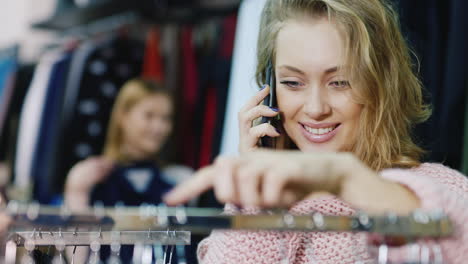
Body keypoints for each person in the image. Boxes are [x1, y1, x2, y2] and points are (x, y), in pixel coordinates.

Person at [163, 0, 468, 263]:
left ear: (382, 84)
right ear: (269, 92)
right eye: (293, 83)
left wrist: (345, 177)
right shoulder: (255, 205)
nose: (315, 108)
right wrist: (259, 198)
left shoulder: (443, 190)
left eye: (340, 82)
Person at [64, 78, 192, 262]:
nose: (160, 127)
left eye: (166, 118)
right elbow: (77, 258)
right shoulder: (90, 180)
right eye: (149, 116)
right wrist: (76, 193)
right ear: (123, 116)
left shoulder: (179, 181)